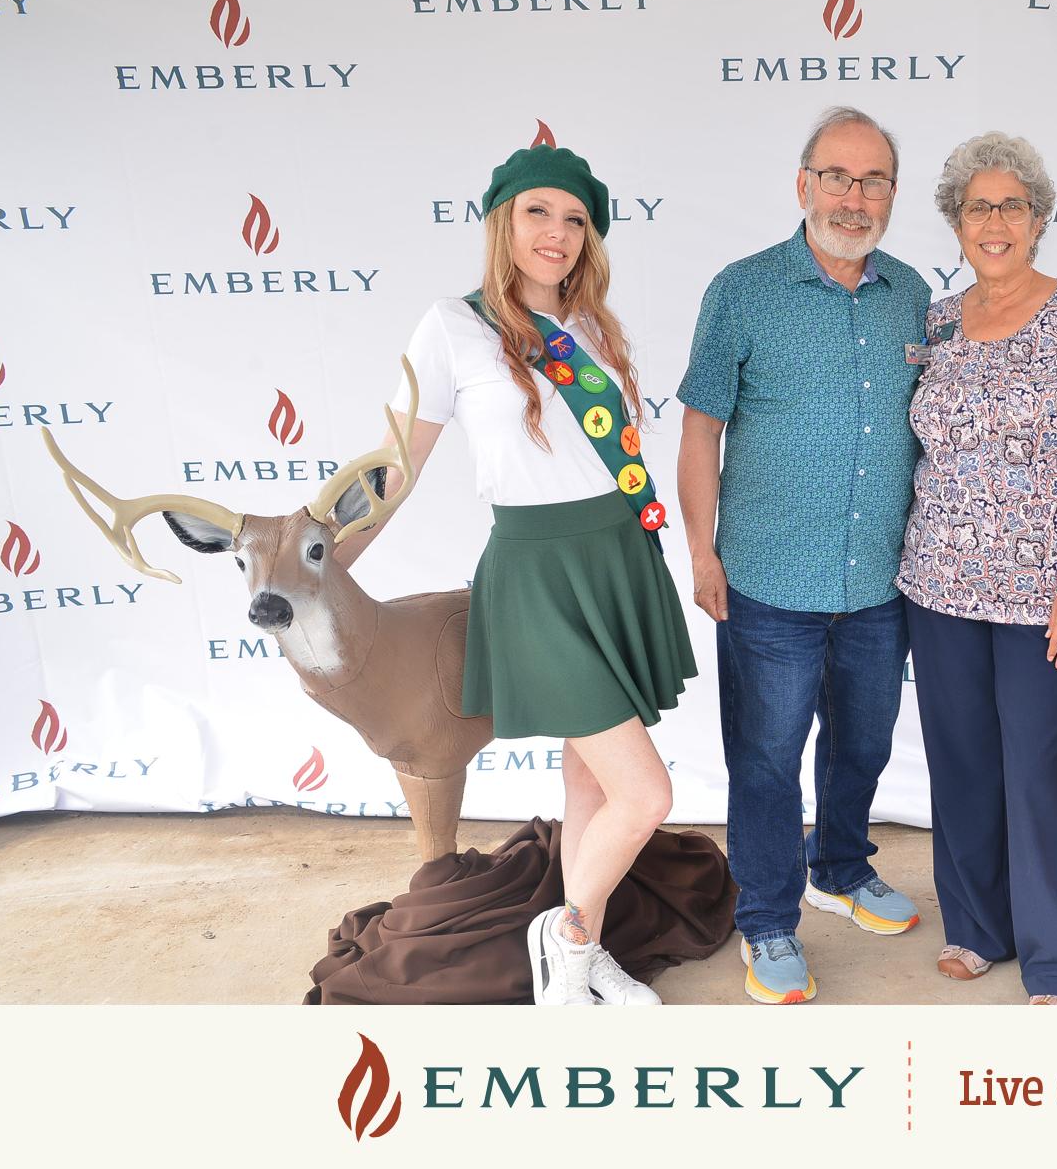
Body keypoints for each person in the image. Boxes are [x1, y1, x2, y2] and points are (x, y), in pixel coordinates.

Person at [336, 144, 697, 1006]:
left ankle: (585, 948)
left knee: (592, 784)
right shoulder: (451, 326)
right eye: (539, 211)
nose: (559, 233)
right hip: (539, 575)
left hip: (615, 560)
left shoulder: (593, 327)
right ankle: (564, 934)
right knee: (646, 794)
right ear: (504, 221)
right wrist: (327, 567)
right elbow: (395, 469)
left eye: (576, 220)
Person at [677, 107, 930, 1005]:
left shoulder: (912, 295)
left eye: (873, 182)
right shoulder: (742, 290)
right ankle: (769, 920)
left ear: (893, 197)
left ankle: (842, 868)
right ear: (803, 185)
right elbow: (700, 429)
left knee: (862, 744)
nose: (853, 198)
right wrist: (703, 555)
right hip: (768, 582)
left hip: (878, 581)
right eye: (837, 177)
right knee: (767, 758)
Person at [898, 132, 1057, 1006]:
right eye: (977, 207)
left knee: (1034, 764)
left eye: (1011, 206)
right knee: (960, 759)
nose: (993, 222)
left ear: (1037, 220)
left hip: (1049, 591)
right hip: (936, 585)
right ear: (956, 223)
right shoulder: (936, 321)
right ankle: (977, 925)